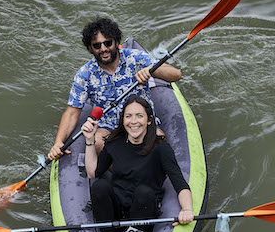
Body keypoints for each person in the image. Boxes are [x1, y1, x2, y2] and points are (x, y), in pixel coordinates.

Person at [47, 17, 182, 160]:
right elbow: (72, 112)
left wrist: (151, 70)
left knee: (159, 140)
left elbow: (176, 75)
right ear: (90, 48)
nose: (104, 49)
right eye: (97, 45)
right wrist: (58, 143)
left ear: (116, 42)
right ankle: (122, 174)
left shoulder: (136, 58)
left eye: (107, 43)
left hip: (140, 121)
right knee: (98, 142)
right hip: (109, 127)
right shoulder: (84, 75)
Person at [81, 95, 194, 232]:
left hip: (144, 209)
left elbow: (180, 184)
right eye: (128, 116)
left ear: (149, 120)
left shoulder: (161, 148)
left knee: (143, 192)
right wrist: (89, 140)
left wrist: (187, 210)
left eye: (139, 116)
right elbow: (93, 173)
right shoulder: (114, 143)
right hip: (117, 208)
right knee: (99, 186)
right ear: (123, 120)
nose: (133, 121)